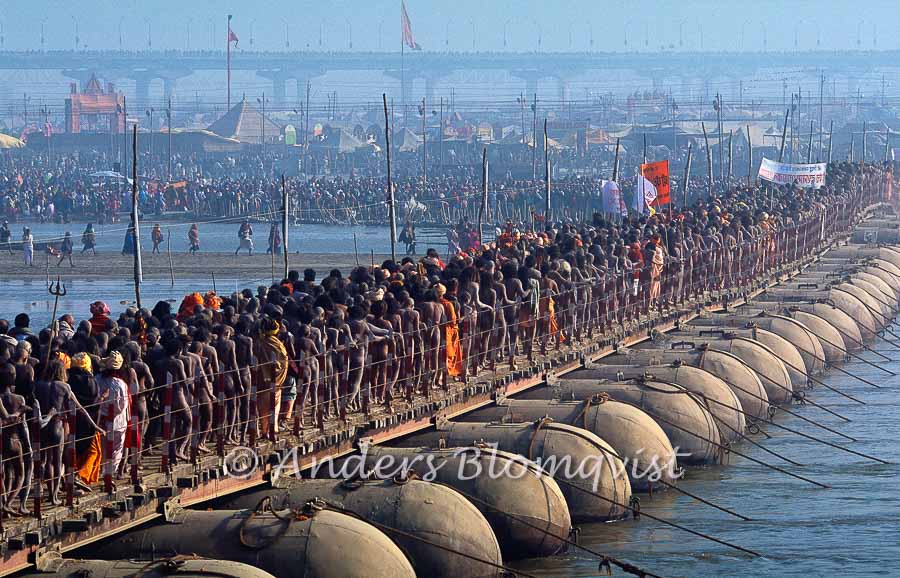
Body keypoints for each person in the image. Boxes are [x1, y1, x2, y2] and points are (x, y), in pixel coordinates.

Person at [95, 352, 129, 488]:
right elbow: (122, 406)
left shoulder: (97, 379)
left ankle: (103, 473)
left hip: (100, 420)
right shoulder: (121, 384)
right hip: (118, 422)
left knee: (102, 448)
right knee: (116, 450)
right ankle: (109, 475)